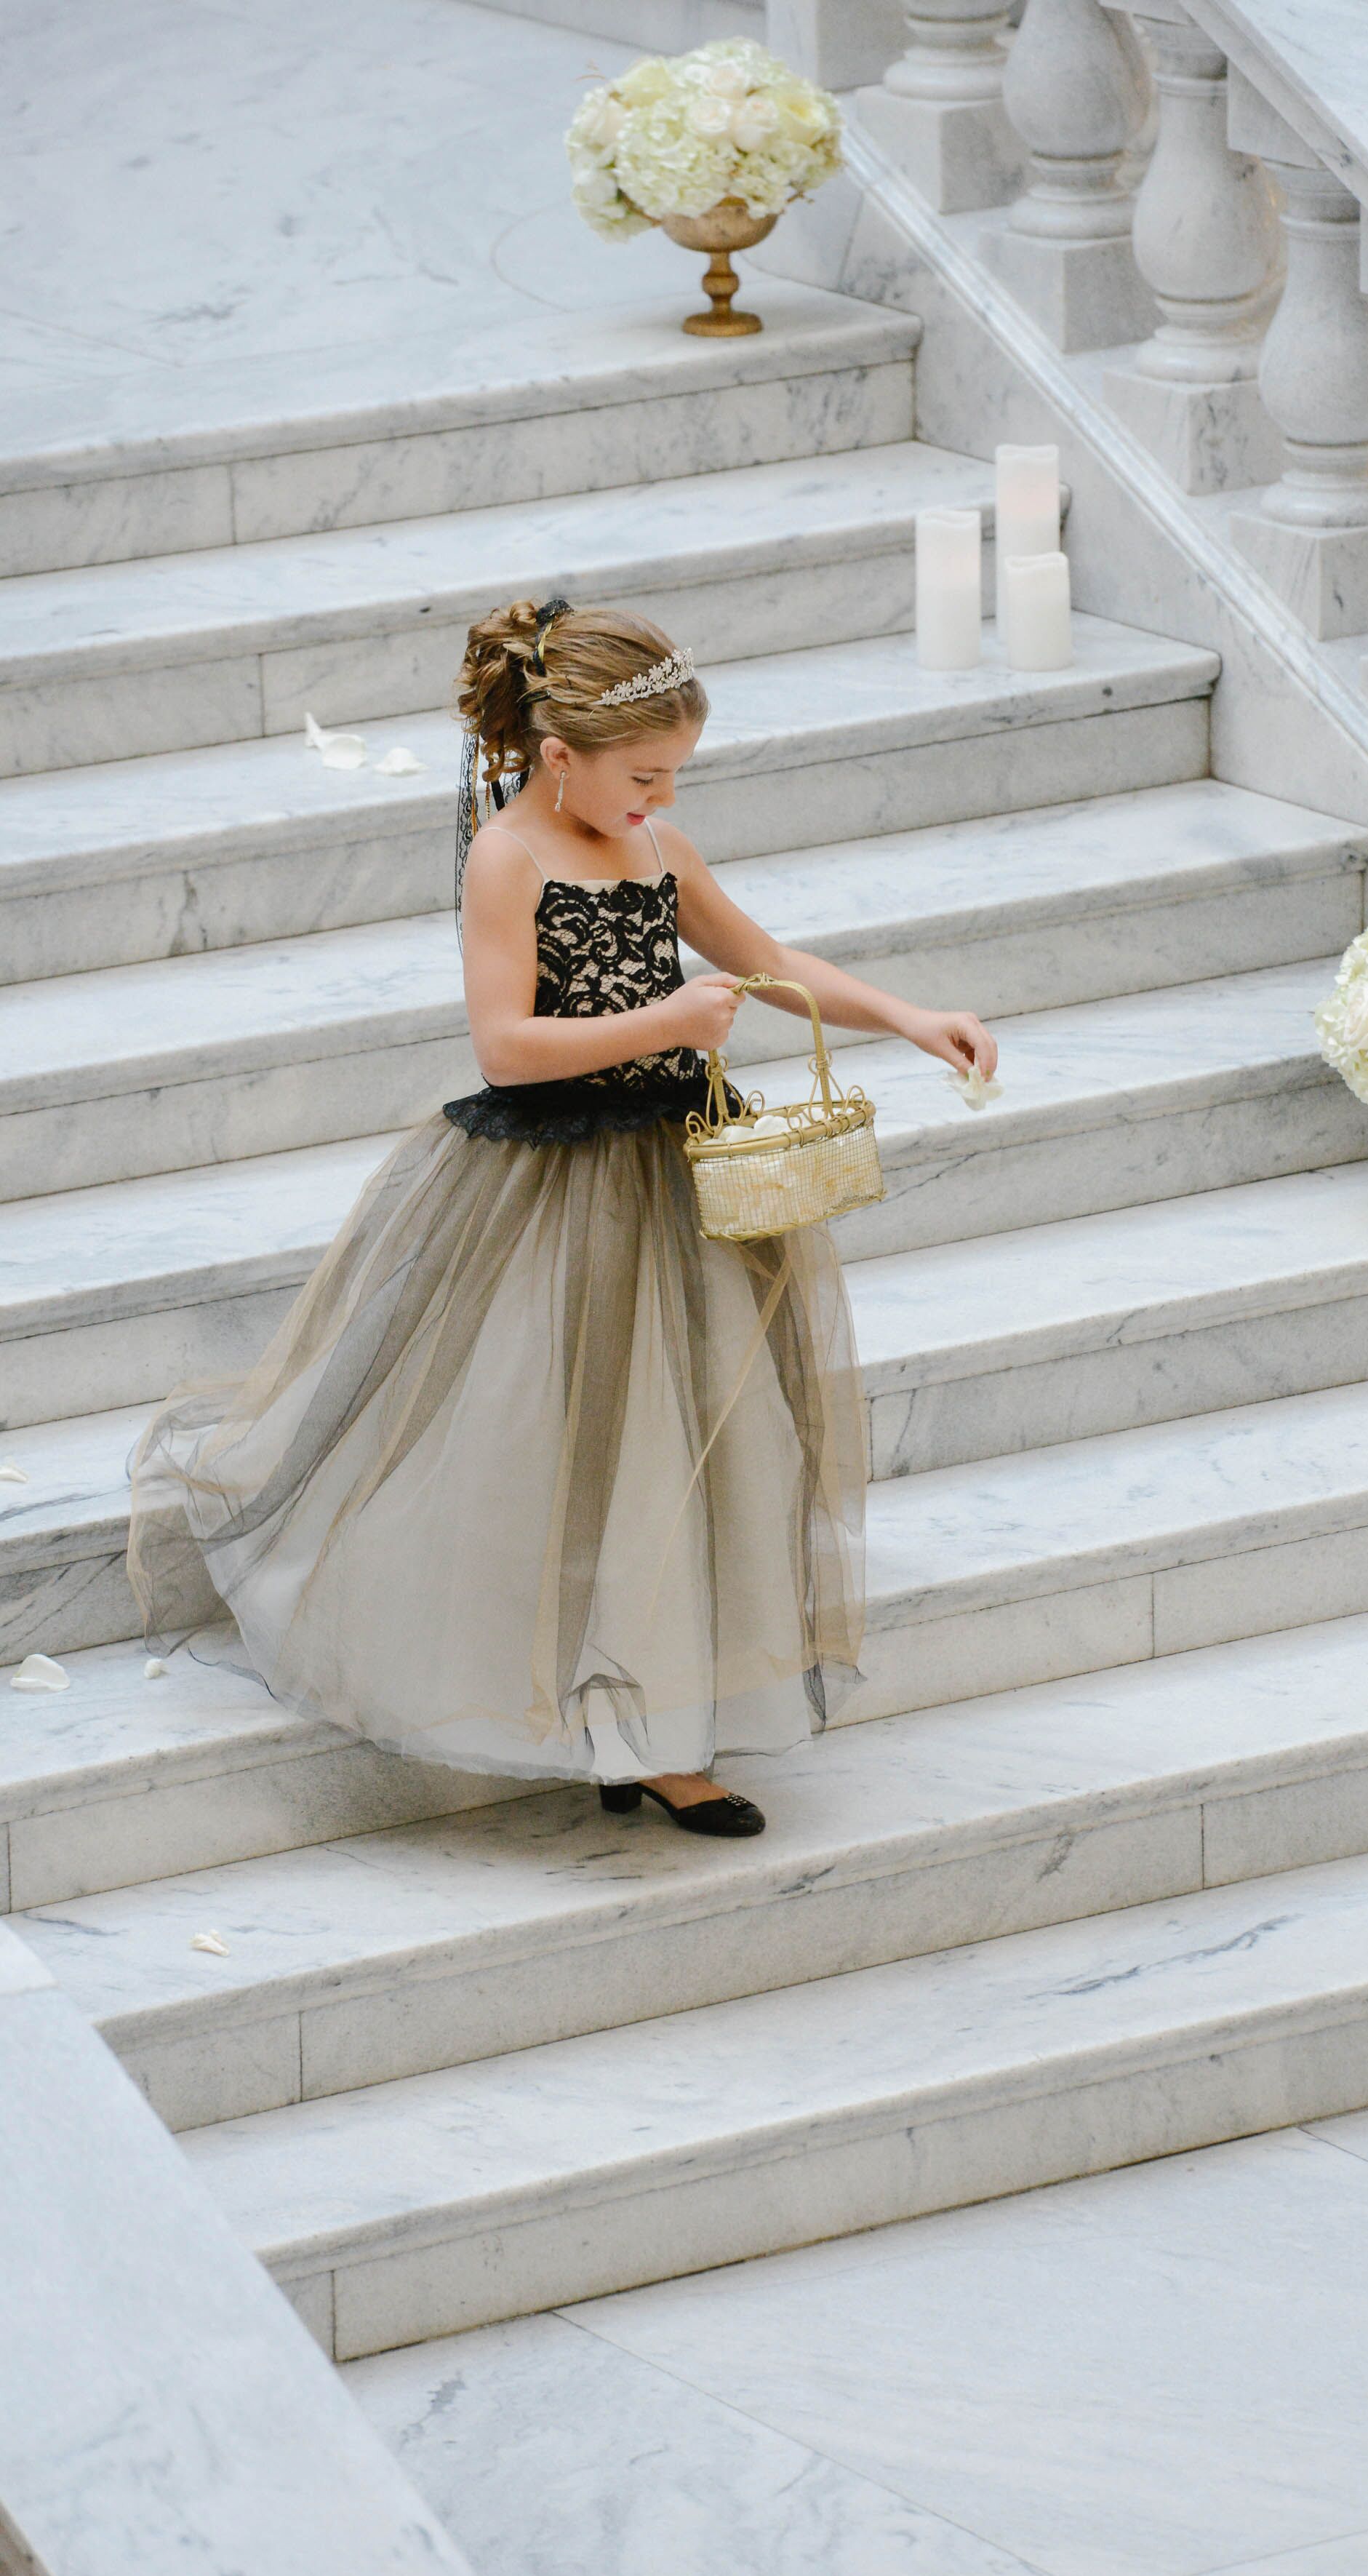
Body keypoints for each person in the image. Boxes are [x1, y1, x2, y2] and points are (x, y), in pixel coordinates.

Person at [128, 599, 997, 1838]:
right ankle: (578, 1701)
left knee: (687, 1438)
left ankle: (663, 1728)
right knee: (567, 1440)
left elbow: (768, 962)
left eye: (675, 777)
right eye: (642, 776)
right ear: (558, 759)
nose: (658, 800)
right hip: (552, 1182)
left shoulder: (658, 849)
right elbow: (506, 1044)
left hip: (680, 1172)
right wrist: (663, 1020)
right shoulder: (512, 860)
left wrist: (910, 1018)